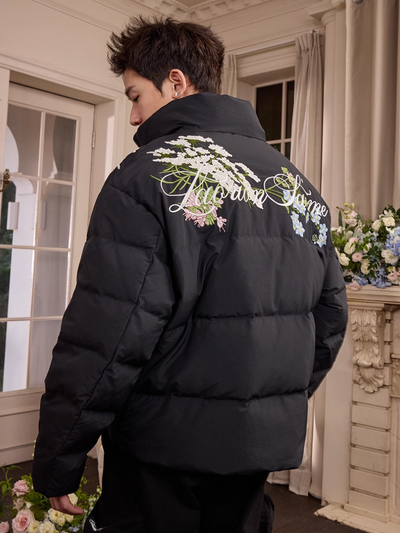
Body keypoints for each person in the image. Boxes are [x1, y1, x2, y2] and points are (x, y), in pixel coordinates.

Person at [32, 16, 348, 533]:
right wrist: (262, 403)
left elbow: (107, 335)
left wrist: (59, 455)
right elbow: (330, 320)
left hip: (162, 448)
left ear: (176, 82)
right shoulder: (297, 186)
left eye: (136, 96)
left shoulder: (144, 176)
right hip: (253, 449)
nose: (134, 116)